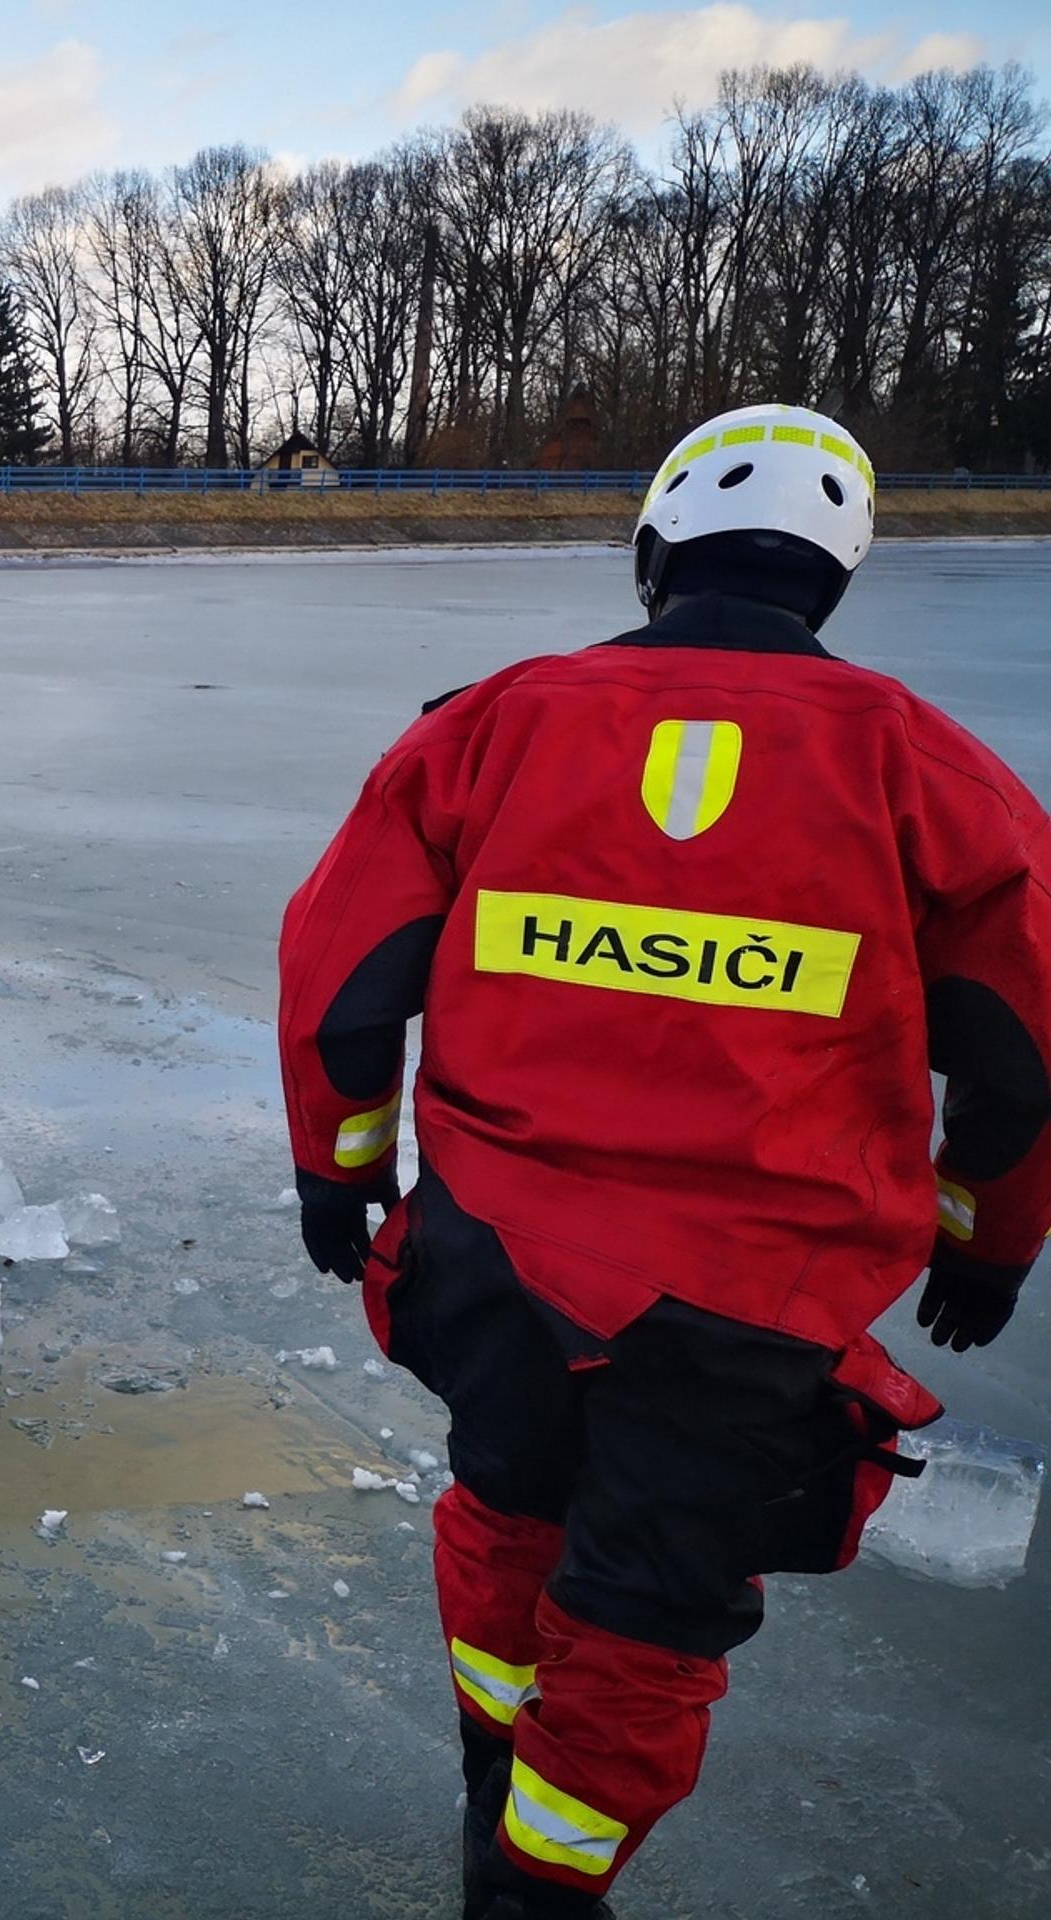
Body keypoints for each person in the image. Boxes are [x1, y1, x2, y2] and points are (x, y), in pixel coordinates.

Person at [278, 403, 1051, 1919]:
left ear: (653, 554)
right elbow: (1024, 1049)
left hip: (497, 1252)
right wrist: (987, 1236)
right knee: (645, 1614)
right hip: (752, 1298)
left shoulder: (496, 722)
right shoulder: (929, 772)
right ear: (834, 581)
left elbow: (343, 969)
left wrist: (341, 1165)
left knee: (507, 1510)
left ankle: (493, 1782)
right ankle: (541, 1883)